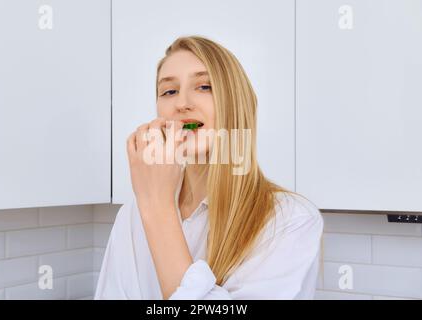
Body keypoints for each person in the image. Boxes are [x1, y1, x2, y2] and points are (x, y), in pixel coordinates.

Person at [94, 35, 323, 300]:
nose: (182, 104)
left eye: (204, 87)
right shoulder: (133, 213)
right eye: (169, 91)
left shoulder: (289, 221)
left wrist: (158, 209)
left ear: (236, 104)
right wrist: (152, 202)